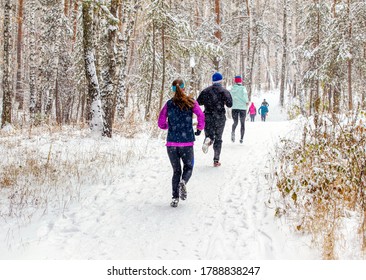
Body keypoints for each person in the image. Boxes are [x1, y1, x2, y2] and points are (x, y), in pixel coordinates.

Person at [158, 79, 205, 207]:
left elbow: (160, 123)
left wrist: (169, 126)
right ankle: (183, 182)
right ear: (184, 88)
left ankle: (174, 198)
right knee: (188, 167)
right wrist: (199, 128)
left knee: (176, 171)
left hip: (172, 144)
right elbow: (201, 116)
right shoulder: (191, 102)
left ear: (173, 90)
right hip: (187, 142)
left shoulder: (169, 104)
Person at [197, 72, 232, 167]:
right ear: (221, 81)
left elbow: (198, 102)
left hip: (208, 116)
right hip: (220, 117)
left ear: (212, 81)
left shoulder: (205, 91)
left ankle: (208, 139)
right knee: (219, 138)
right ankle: (216, 160)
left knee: (209, 134)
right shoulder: (224, 91)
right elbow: (230, 104)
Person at [230, 75, 248, 143]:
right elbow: (245, 96)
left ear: (235, 81)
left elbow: (230, 97)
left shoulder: (232, 89)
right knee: (242, 123)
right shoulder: (243, 88)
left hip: (234, 108)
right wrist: (246, 101)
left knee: (235, 122)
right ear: (240, 81)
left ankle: (233, 132)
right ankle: (241, 138)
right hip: (242, 108)